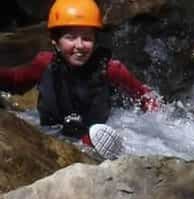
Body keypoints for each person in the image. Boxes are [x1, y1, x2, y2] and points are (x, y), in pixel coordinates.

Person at [0, 0, 159, 159]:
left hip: (93, 136)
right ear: (56, 42)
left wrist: (155, 123)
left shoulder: (111, 69)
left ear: (95, 41)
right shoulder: (43, 64)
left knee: (95, 140)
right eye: (71, 37)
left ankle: (106, 148)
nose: (80, 45)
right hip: (52, 134)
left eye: (87, 38)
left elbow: (145, 97)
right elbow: (14, 82)